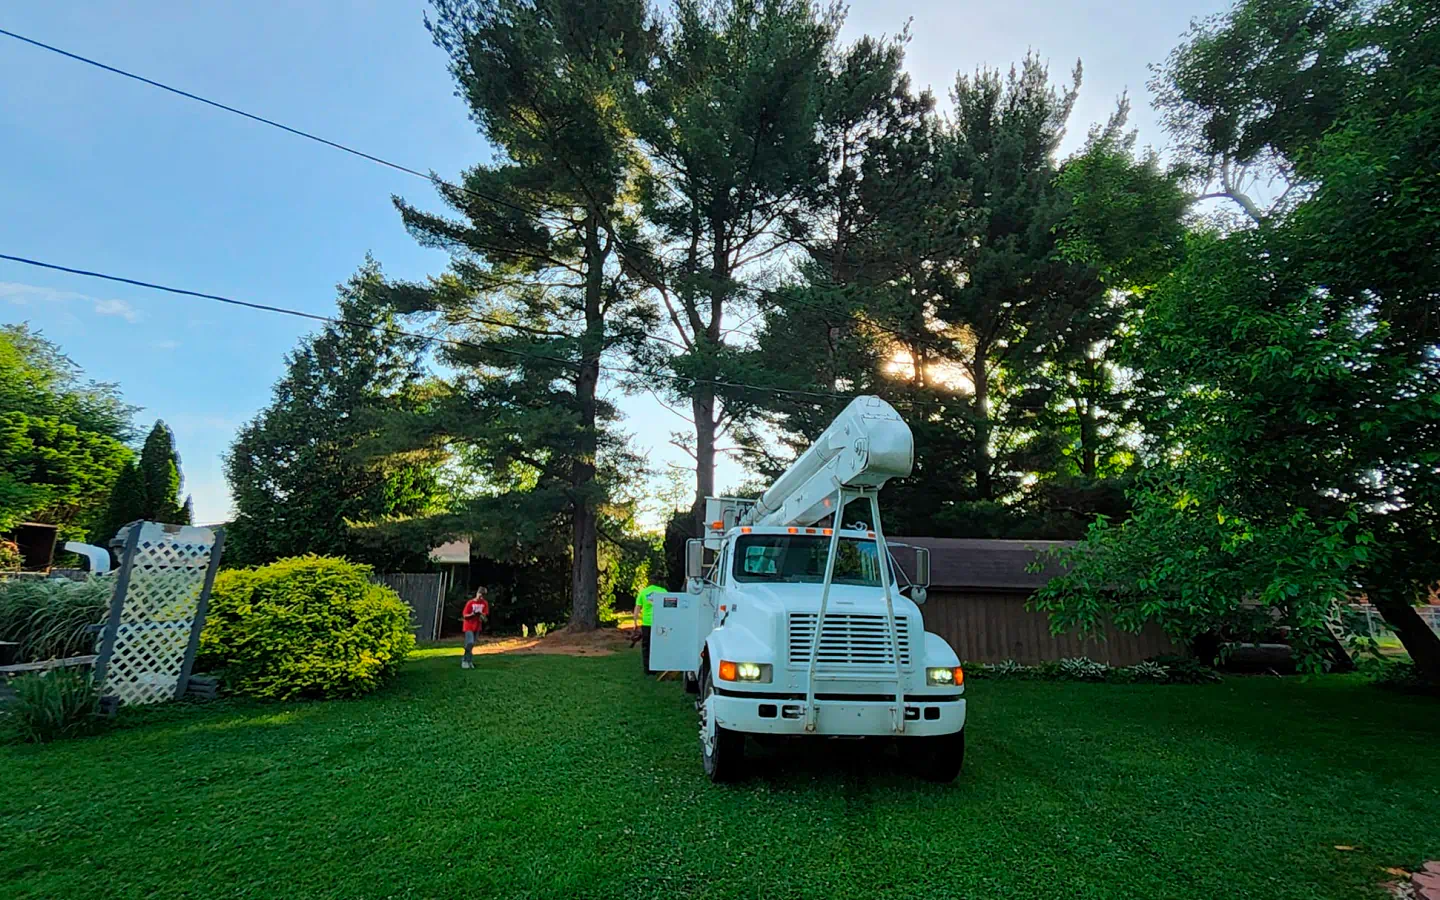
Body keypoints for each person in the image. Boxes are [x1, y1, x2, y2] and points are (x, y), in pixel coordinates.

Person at [635, 583, 666, 676]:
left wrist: (635, 623)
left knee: (646, 646)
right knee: (660, 646)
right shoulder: (663, 591)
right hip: (660, 623)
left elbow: (637, 609)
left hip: (647, 623)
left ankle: (647, 669)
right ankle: (659, 666)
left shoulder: (643, 592)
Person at [460, 588, 490, 670]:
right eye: (480, 595)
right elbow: (465, 615)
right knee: (469, 642)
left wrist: (482, 616)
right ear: (477, 593)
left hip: (477, 626)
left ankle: (469, 660)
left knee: (472, 644)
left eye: (483, 596)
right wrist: (472, 614)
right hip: (468, 625)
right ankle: (465, 660)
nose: (481, 598)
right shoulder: (470, 603)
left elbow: (485, 616)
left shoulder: (484, 603)